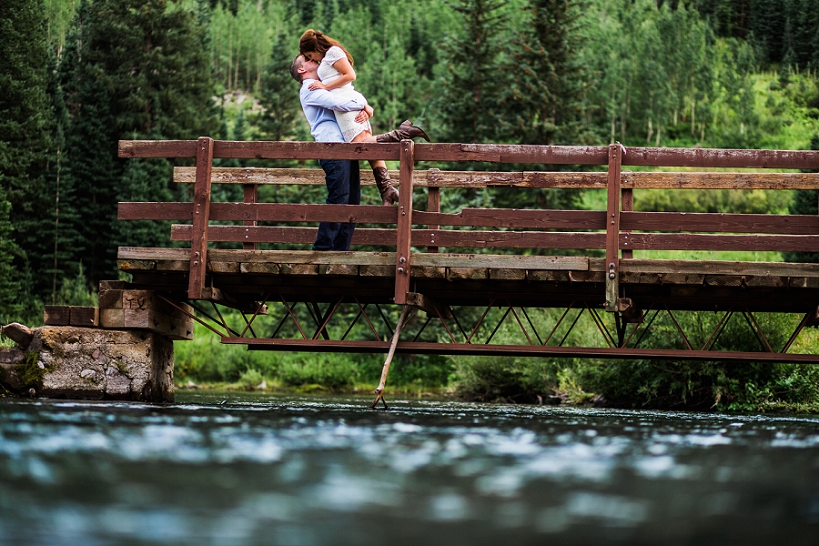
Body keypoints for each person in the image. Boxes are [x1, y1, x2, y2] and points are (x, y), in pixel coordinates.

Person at [290, 54, 432, 251]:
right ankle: (322, 250)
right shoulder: (309, 89)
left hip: (345, 149)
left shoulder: (325, 84)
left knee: (352, 200)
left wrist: (365, 107)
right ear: (301, 69)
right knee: (339, 197)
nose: (314, 59)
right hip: (331, 148)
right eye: (307, 59)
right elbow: (337, 103)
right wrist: (364, 106)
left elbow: (349, 93)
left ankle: (341, 250)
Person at [298, 29, 429, 206]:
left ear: (314, 47)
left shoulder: (333, 52)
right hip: (348, 102)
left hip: (346, 102)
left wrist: (325, 87)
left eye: (310, 55)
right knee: (368, 145)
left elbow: (351, 75)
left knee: (361, 145)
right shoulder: (328, 56)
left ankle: (402, 134)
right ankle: (386, 189)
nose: (312, 59)